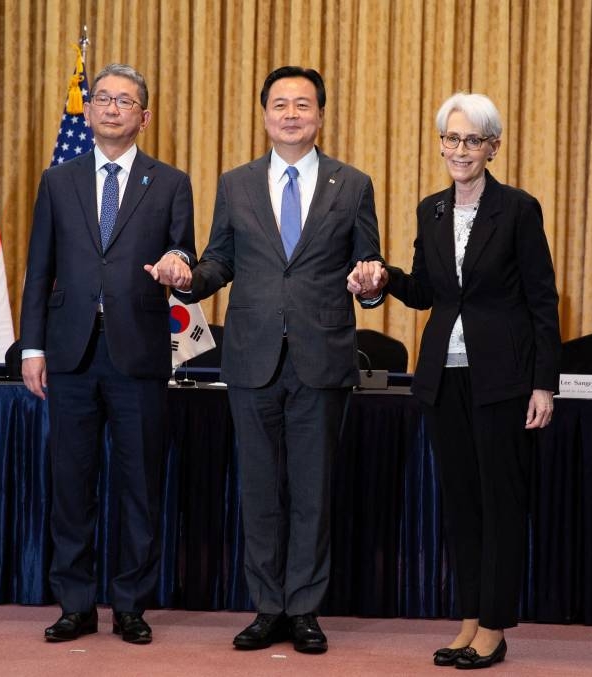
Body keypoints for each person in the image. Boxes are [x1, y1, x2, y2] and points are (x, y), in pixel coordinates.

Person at [169, 66, 385, 654]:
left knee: (313, 491)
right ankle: (267, 608)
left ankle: (306, 610)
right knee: (260, 490)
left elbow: (369, 264)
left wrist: (371, 281)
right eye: (280, 104)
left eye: (303, 105)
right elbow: (219, 261)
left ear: (320, 116)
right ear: (265, 114)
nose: (291, 114)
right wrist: (189, 280)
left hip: (323, 355)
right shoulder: (236, 184)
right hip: (251, 357)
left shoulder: (353, 183)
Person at [350, 92, 559, 669]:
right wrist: (383, 277)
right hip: (444, 380)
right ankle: (468, 618)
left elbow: (542, 298)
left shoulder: (518, 209)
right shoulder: (431, 210)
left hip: (504, 381)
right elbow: (428, 292)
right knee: (463, 504)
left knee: (501, 504)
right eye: (451, 138)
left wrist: (545, 383)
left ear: (493, 147)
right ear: (440, 142)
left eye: (472, 140)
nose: (459, 150)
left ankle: (494, 625)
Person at [19, 63, 196, 645]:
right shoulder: (58, 179)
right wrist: (33, 345)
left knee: (140, 485)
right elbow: (39, 268)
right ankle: (74, 603)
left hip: (139, 352)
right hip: (69, 353)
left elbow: (183, 255)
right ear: (88, 111)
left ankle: (130, 604)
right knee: (71, 483)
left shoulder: (169, 182)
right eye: (103, 99)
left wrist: (179, 265)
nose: (112, 108)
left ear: (144, 116)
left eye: (125, 101)